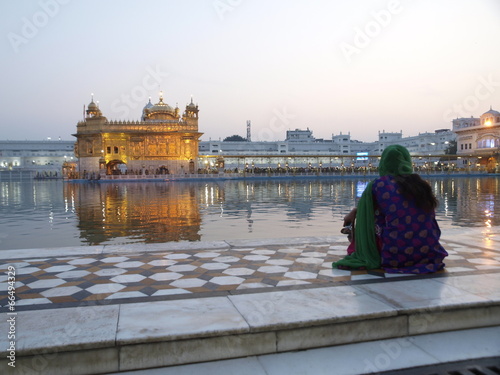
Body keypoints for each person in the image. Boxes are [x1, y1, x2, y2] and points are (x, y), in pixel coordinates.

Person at [332, 145, 448, 274]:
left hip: (395, 257)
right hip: (429, 253)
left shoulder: (379, 185)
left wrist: (352, 214)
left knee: (371, 218)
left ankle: (365, 250)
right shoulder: (420, 183)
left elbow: (366, 214)